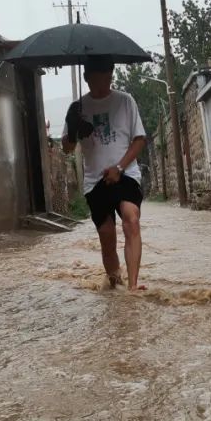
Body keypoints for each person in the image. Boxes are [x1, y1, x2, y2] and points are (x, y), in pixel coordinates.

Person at [62, 55, 147, 290]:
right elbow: (67, 149)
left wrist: (119, 167)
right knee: (107, 235)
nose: (101, 86)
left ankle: (132, 287)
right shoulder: (77, 109)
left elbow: (139, 139)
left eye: (106, 79)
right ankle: (115, 284)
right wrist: (73, 129)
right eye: (96, 81)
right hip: (94, 181)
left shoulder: (125, 101)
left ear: (111, 76)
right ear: (86, 78)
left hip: (125, 173)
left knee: (131, 219)